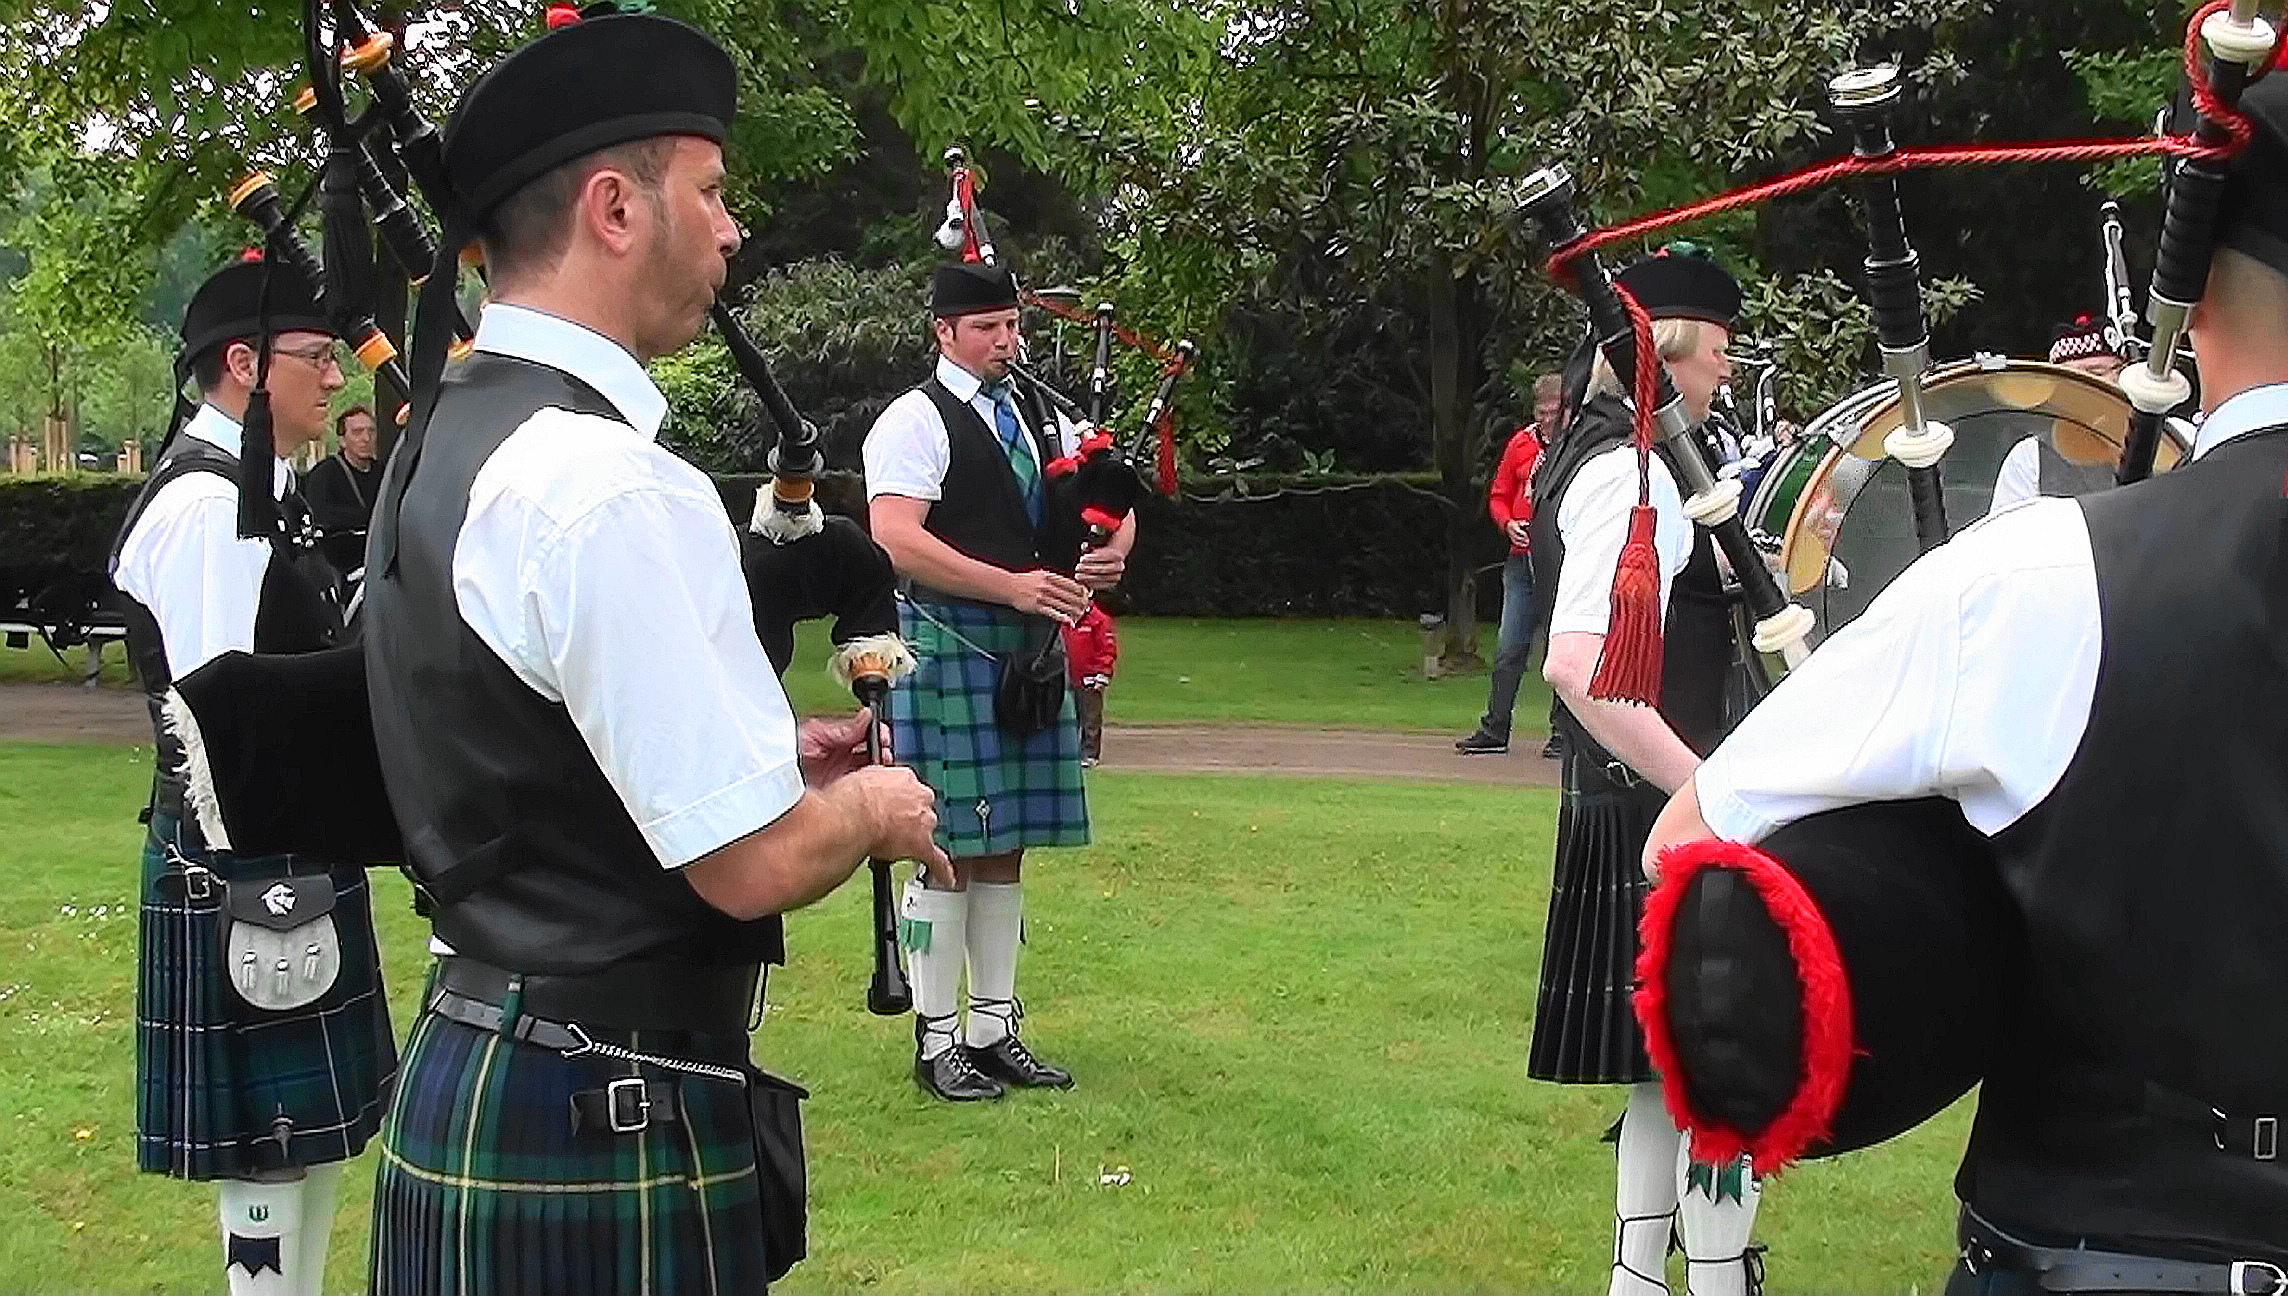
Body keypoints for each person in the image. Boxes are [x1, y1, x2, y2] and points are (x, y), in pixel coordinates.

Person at [1644, 75, 2288, 1291]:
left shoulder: (2037, 577)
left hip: (2108, 1247)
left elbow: (1696, 836)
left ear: (2184, 290)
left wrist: (1969, 876)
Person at [360, 11, 948, 1291]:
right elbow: (748, 867)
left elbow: (531, 739)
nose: (733, 228)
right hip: (599, 1098)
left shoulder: (441, 442)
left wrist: (768, 750)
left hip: (487, 1049)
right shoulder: (611, 483)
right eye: (713, 188)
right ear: (617, 210)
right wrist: (872, 807)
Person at [108, 254, 392, 1296]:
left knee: (311, 1141)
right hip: (242, 853)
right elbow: (228, 719)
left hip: (287, 837)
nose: (334, 379)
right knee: (269, 1147)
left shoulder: (262, 491)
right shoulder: (206, 509)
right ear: (242, 364)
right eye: (314, 357)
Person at [1527, 248, 1763, 1296]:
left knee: (1665, 1073)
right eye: (1712, 356)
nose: (1720, 377)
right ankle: (1713, 1283)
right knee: (1716, 1068)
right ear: (1664, 357)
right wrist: (1700, 790)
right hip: (1658, 804)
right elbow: (1576, 665)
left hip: (1628, 803)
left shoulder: (1604, 457)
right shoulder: (1627, 476)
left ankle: (1639, 1278)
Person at [864, 259, 1137, 1101]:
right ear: (943, 332)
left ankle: (992, 1029)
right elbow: (896, 541)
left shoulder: (1041, 415)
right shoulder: (914, 420)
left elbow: (1116, 507)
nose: (1006, 342)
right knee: (946, 843)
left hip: (1030, 653)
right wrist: (1014, 587)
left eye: (1012, 326)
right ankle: (936, 1038)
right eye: (987, 329)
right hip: (950, 645)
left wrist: (1108, 556)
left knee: (1007, 844)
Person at [1457, 372, 1563, 757]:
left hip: (1560, 565)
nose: (1548, 418)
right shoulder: (1522, 444)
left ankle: (1562, 735)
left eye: (1554, 410)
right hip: (1521, 562)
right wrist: (1508, 524)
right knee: (1509, 648)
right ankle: (1495, 727)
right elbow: (1499, 495)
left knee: (1561, 651)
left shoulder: (1574, 446)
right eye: (1542, 410)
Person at [1987, 315, 2128, 514]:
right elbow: (2006, 540)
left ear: (2123, 374)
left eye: (2096, 373)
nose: (2084, 387)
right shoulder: (2029, 458)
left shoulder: (2172, 437)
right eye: (2070, 379)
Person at [300, 405, 382, 536]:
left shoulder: (384, 473)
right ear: (342, 441)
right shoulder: (324, 475)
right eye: (357, 432)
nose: (366, 438)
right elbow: (319, 515)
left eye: (371, 431)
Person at [1063, 600, 1118, 767]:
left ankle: (1090, 754)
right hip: (1067, 677)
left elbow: (1107, 648)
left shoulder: (1099, 620)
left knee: (1090, 718)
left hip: (1090, 678)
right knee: (1070, 717)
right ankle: (1070, 751)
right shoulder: (1063, 619)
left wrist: (1103, 672)